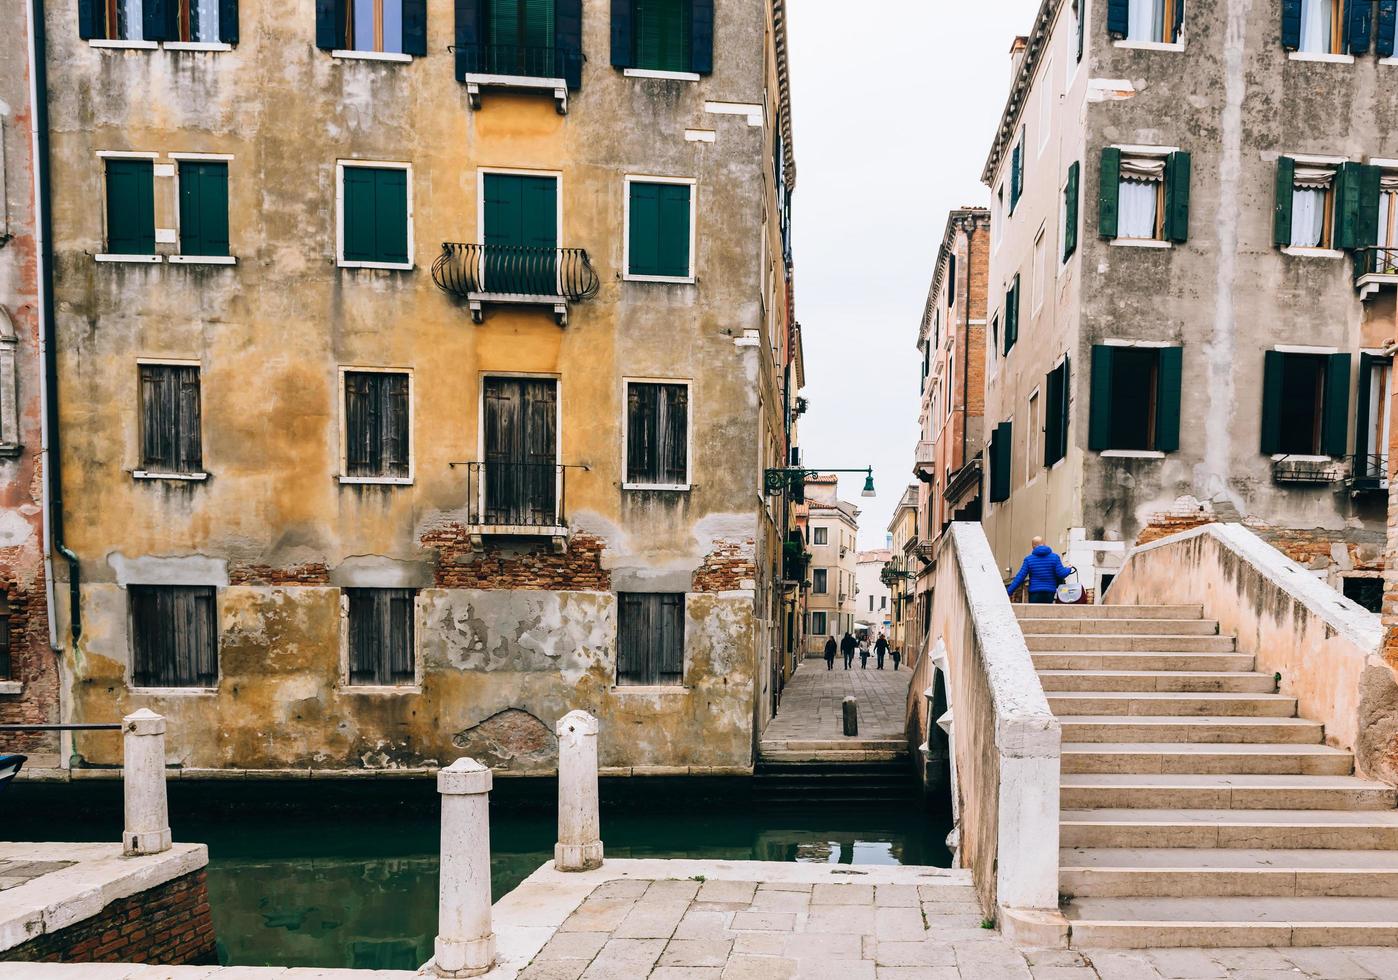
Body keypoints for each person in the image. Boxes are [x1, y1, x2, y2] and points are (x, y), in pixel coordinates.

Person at [1006, 536, 1074, 605]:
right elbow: (1061, 574)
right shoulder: (1055, 557)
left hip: (1034, 593)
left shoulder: (1029, 559)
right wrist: (1068, 568)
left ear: (1033, 546)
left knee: (1034, 613)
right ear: (1044, 544)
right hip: (1049, 592)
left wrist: (1008, 592)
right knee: (1047, 613)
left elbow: (1020, 577)